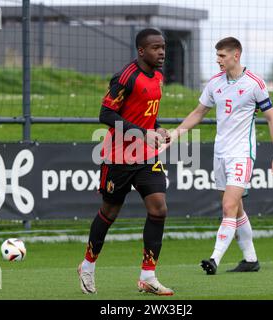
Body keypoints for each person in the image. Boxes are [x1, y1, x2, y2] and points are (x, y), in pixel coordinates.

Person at [169, 37, 273, 275]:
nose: (218, 60)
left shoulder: (254, 84)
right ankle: (250, 259)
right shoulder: (214, 83)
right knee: (237, 209)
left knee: (228, 206)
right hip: (220, 154)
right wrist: (176, 133)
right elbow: (199, 112)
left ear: (236, 55)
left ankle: (214, 259)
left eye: (222, 55)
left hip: (242, 154)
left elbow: (272, 118)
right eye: (217, 55)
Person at [77, 28, 174, 295]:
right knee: (110, 212)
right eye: (155, 48)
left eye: (163, 47)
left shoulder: (158, 77)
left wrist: (159, 128)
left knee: (159, 209)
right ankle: (87, 265)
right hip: (118, 156)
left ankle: (148, 276)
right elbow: (106, 114)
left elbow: (146, 114)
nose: (162, 52)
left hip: (147, 156)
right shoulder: (125, 77)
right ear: (141, 51)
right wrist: (143, 133)